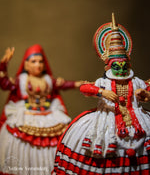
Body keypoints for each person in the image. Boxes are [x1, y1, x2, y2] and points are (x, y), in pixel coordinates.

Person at [52, 13, 150, 174]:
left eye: (124, 66)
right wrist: (101, 92)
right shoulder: (104, 82)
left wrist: (146, 95)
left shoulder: (136, 81)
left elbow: (148, 86)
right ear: (109, 67)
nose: (121, 70)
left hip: (136, 118)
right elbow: (85, 88)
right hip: (107, 117)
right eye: (117, 66)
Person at [0, 44, 83, 175]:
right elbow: (4, 84)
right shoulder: (20, 81)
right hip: (25, 115)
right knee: (18, 140)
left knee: (61, 136)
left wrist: (80, 84)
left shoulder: (48, 80)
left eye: (40, 61)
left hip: (49, 114)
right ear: (26, 65)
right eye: (33, 61)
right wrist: (3, 65)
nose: (37, 65)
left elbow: (65, 84)